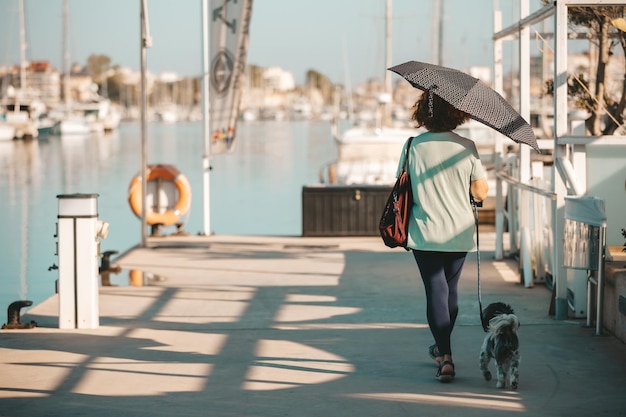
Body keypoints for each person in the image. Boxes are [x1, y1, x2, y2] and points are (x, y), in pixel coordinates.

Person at [397, 90, 489, 383]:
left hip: (424, 231)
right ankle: (441, 348)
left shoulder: (413, 146)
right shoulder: (466, 146)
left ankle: (445, 356)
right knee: (450, 290)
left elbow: (401, 184)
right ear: (455, 113)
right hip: (459, 231)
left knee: (435, 290)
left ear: (423, 113)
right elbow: (480, 192)